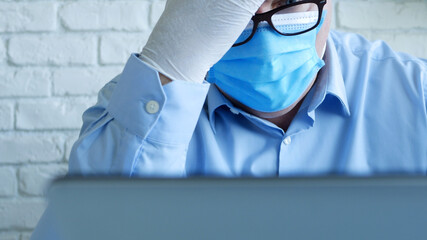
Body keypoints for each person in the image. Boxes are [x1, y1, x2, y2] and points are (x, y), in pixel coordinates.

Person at [31, 0, 426, 238]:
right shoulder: (139, 110)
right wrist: (171, 61)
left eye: (287, 2)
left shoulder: (415, 95)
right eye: (237, 12)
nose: (264, 34)